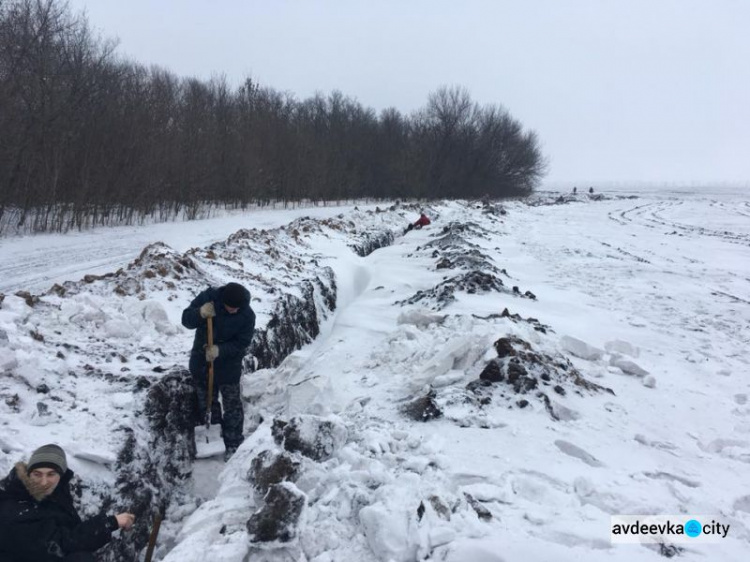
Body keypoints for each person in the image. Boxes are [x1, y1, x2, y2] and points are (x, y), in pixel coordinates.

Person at [0, 444, 135, 562]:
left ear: (61, 474)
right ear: (29, 474)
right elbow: (58, 545)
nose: (44, 482)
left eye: (51, 474)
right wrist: (110, 523)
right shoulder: (15, 507)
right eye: (37, 474)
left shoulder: (55, 492)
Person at [182, 282, 256, 460]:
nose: (232, 311)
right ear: (222, 300)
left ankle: (233, 443)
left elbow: (242, 343)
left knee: (232, 406)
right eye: (229, 307)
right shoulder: (209, 298)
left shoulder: (247, 315)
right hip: (202, 362)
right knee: (207, 403)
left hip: (229, 365)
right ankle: (215, 437)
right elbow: (186, 320)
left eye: (235, 309)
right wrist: (199, 313)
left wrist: (219, 351)